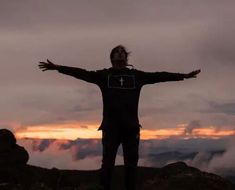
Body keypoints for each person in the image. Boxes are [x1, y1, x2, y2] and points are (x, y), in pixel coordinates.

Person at [38, 45, 201, 190]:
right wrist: (58, 67)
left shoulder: (137, 76)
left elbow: (159, 76)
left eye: (122, 52)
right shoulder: (104, 76)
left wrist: (183, 76)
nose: (120, 54)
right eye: (117, 52)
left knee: (131, 165)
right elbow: (82, 73)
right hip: (110, 127)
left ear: (126, 57)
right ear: (112, 58)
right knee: (107, 165)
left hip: (131, 128)